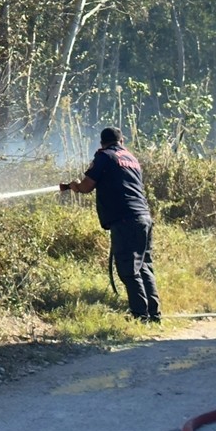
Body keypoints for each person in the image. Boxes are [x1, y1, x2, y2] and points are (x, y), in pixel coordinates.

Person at [60, 127, 161, 323]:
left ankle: (140, 316)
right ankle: (154, 316)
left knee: (129, 268)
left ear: (102, 143)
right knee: (144, 267)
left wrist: (75, 186)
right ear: (121, 141)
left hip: (125, 220)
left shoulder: (105, 156)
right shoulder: (131, 158)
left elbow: (87, 186)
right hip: (144, 218)